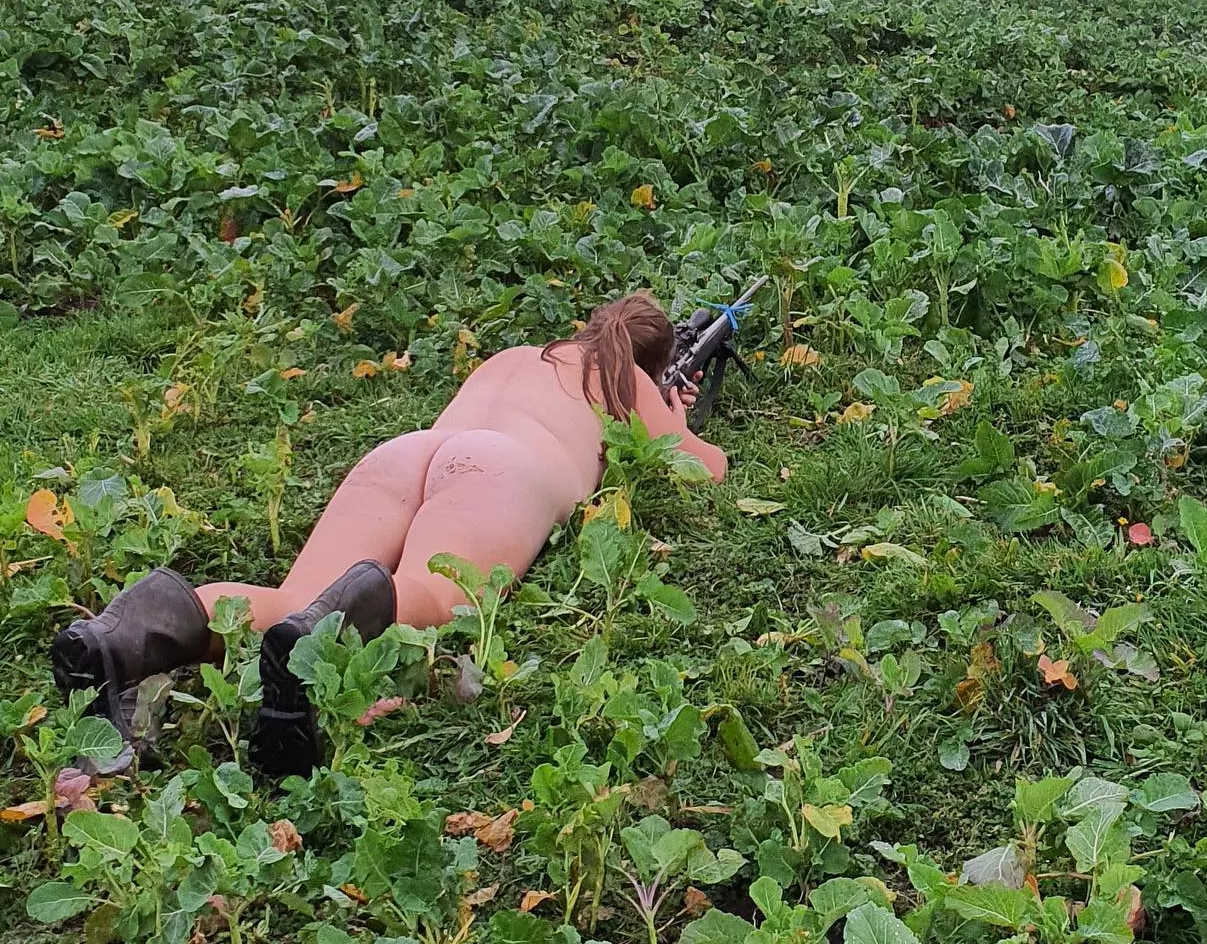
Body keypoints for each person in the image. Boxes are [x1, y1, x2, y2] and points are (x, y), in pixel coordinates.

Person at [51, 293, 725, 776]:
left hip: (409, 452)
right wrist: (675, 417)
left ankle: (124, 635)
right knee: (434, 595)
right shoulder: (626, 378)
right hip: (503, 467)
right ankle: (322, 641)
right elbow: (703, 469)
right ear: (650, 361)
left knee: (294, 596)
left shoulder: (513, 356)